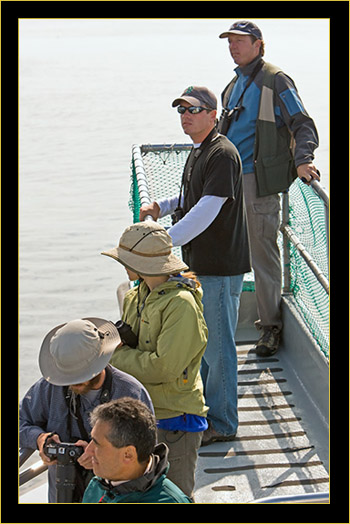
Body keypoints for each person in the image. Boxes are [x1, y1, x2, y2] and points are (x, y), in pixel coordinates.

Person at [139, 86, 251, 446]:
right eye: (181, 110)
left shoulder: (223, 154)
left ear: (212, 115)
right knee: (204, 345)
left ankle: (223, 421)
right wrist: (163, 205)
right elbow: (191, 197)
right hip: (199, 265)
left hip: (219, 265)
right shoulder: (199, 151)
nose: (186, 115)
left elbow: (207, 210)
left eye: (193, 109)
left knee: (218, 348)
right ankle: (207, 412)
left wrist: (162, 242)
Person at [218, 20, 320, 356]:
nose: (234, 47)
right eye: (230, 41)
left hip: (257, 182)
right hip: (228, 182)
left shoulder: (276, 80)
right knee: (227, 253)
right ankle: (220, 324)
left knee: (263, 256)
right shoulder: (233, 84)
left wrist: (304, 159)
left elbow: (302, 123)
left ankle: (270, 328)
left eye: (240, 41)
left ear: (259, 44)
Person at [101, 221, 208, 499]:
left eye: (127, 260)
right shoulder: (136, 295)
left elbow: (165, 367)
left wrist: (114, 354)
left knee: (174, 496)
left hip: (176, 420)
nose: (123, 265)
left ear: (142, 263)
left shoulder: (181, 304)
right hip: (148, 414)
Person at [20, 317, 153, 503]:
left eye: (78, 375)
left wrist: (100, 457)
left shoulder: (131, 392)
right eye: (67, 376)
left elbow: (143, 457)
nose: (70, 382)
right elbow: (20, 421)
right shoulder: (49, 387)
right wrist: (39, 439)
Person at [82, 397, 192, 503]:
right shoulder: (97, 486)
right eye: (91, 439)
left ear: (128, 454)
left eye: (97, 444)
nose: (88, 450)